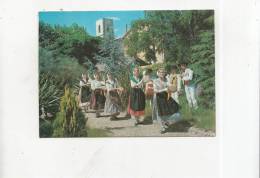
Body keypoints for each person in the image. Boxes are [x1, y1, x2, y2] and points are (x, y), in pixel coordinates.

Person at [153, 68, 181, 134]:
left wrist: (175, 88)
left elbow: (170, 85)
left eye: (163, 72)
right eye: (160, 72)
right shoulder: (155, 81)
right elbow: (155, 91)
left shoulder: (166, 80)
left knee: (176, 109)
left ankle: (167, 123)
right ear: (158, 73)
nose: (162, 73)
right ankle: (162, 127)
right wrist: (164, 89)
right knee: (160, 113)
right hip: (158, 98)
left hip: (166, 97)